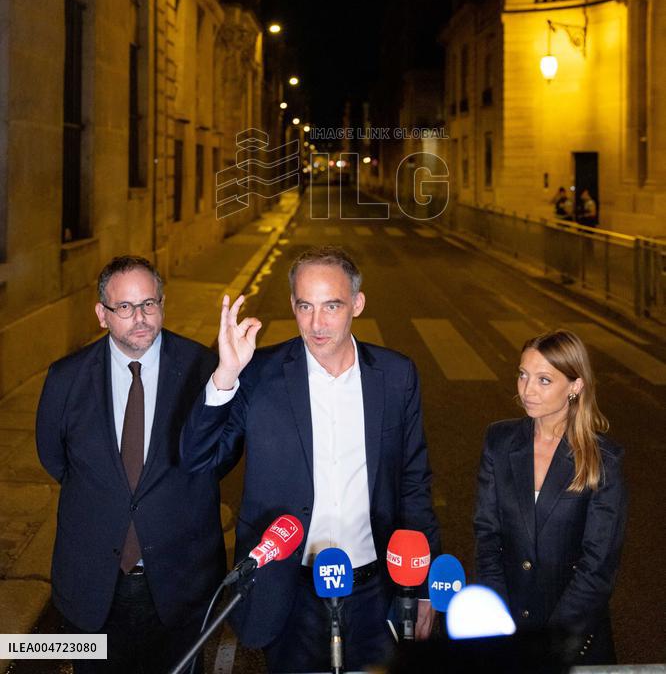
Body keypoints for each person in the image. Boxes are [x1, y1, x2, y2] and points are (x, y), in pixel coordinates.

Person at [181, 245, 440, 673]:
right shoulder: (258, 373)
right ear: (293, 306)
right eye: (305, 306)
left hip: (374, 591)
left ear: (356, 304)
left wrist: (424, 584)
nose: (317, 324)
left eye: (331, 306)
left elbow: (413, 481)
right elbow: (198, 462)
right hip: (290, 590)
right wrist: (226, 374)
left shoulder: (396, 376)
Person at [36, 255, 224, 673]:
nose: (139, 318)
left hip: (180, 582)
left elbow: (220, 460)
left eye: (149, 304)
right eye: (124, 307)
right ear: (102, 314)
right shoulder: (65, 378)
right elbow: (55, 459)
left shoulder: (203, 369)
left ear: (162, 303)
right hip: (93, 585)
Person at [474, 329, 626, 666]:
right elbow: (487, 536)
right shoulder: (499, 441)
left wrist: (548, 645)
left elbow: (597, 567)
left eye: (544, 380)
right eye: (523, 375)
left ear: (575, 386)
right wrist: (501, 621)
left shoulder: (603, 460)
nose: (527, 390)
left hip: (573, 640)